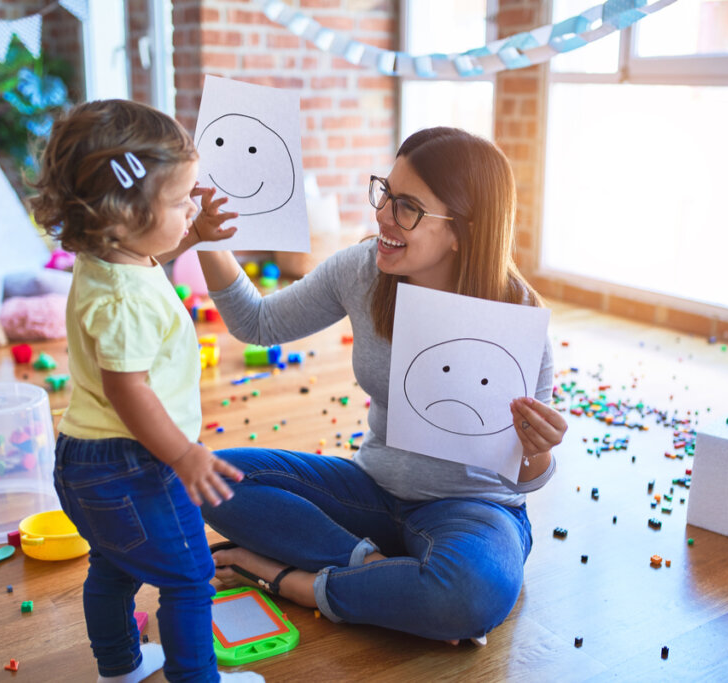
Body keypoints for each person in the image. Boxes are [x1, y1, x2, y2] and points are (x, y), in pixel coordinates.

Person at [195, 126, 568, 643]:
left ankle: (298, 581)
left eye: (407, 207)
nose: (383, 215)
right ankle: (369, 565)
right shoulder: (364, 270)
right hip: (370, 491)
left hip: (473, 510)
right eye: (385, 193)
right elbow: (257, 324)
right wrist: (208, 240)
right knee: (206, 476)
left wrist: (539, 450)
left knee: (472, 593)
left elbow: (527, 478)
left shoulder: (516, 315)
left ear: (463, 229)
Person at [29, 99, 262, 683]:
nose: (193, 208)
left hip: (85, 458)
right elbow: (127, 388)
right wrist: (183, 455)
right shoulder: (125, 300)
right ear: (124, 214)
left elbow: (148, 258)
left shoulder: (108, 256)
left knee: (112, 565)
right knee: (188, 576)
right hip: (132, 462)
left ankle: (120, 668)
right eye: (183, 201)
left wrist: (193, 237)